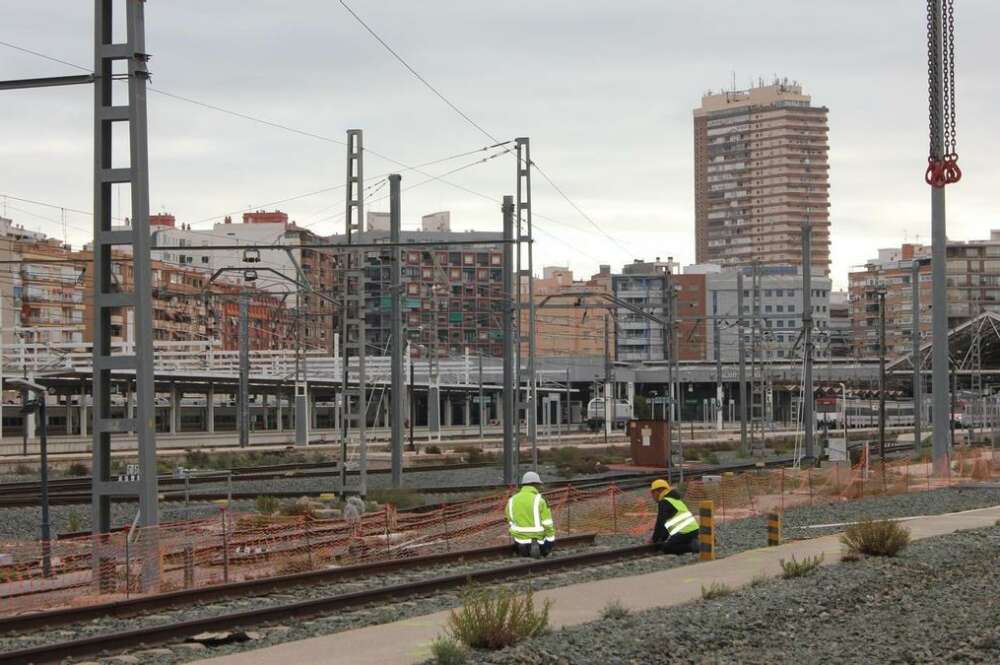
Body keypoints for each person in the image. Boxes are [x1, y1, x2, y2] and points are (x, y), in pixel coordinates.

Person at [506, 471, 556, 558]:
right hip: (538, 541)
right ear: (536, 484)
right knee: (549, 540)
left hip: (519, 540)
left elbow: (510, 520)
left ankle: (521, 549)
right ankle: (542, 551)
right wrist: (550, 541)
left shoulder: (512, 500)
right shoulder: (540, 500)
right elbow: (547, 523)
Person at [649, 479, 700, 555]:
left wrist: (654, 539)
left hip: (685, 532)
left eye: (652, 494)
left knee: (668, 548)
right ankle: (693, 543)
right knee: (668, 545)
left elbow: (660, 523)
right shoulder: (675, 500)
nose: (652, 497)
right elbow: (666, 525)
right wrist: (662, 539)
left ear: (657, 492)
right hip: (693, 530)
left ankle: (694, 547)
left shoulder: (664, 502)